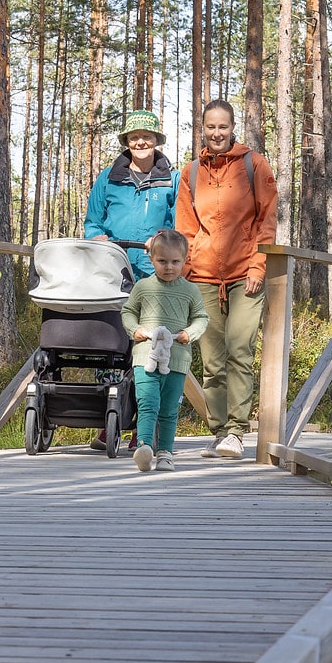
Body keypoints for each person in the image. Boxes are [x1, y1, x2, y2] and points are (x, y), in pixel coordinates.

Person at [175, 99, 278, 459]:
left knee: (239, 350)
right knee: (212, 359)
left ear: (233, 127)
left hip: (244, 275)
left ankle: (237, 430)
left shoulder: (254, 165)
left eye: (223, 126)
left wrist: (258, 265)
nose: (216, 133)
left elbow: (267, 221)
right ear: (202, 128)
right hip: (202, 277)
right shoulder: (190, 173)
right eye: (210, 127)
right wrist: (185, 272)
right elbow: (185, 228)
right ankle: (218, 432)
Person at [122, 229, 210, 473]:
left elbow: (201, 318)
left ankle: (165, 453)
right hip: (145, 356)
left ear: (184, 260)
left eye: (175, 262)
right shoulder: (142, 287)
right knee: (147, 403)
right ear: (152, 260)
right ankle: (144, 447)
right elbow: (127, 311)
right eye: (162, 261)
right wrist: (135, 329)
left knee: (169, 409)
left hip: (177, 358)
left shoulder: (190, 291)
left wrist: (188, 334)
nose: (169, 267)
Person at [84, 110, 177, 279]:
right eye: (134, 137)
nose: (140, 142)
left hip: (156, 271)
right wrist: (95, 238)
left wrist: (162, 242)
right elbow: (93, 222)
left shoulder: (172, 180)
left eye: (147, 136)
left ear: (156, 140)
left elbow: (181, 227)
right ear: (127, 141)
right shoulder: (107, 178)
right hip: (112, 270)